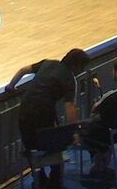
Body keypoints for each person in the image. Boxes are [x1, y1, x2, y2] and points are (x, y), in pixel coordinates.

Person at [6, 48, 91, 188]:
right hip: (43, 114)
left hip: (25, 112)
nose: (82, 70)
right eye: (82, 67)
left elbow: (22, 70)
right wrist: (74, 132)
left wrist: (11, 86)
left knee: (31, 150)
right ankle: (55, 180)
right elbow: (69, 107)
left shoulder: (47, 63)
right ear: (76, 65)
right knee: (56, 145)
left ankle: (39, 180)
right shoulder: (70, 80)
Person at [81, 57, 117, 175]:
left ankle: (99, 161)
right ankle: (102, 160)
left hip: (108, 134)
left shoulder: (111, 96)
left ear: (116, 73)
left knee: (81, 130)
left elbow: (94, 109)